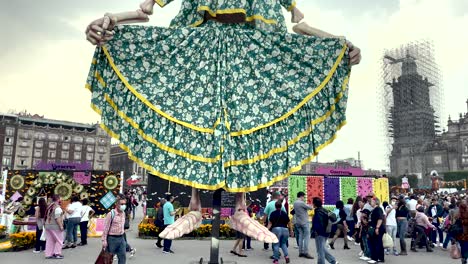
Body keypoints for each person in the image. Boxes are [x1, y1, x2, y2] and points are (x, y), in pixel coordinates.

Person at [84, 0, 360, 244]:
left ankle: (239, 208)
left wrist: (338, 44)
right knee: (199, 117)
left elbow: (299, 23)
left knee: (244, 120)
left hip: (249, 48)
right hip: (205, 45)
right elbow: (145, 10)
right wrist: (110, 20)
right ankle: (195, 206)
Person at [311, 197, 339, 264]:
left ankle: (324, 262)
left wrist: (314, 231)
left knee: (320, 250)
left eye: (313, 202)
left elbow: (317, 224)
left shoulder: (318, 212)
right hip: (326, 232)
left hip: (320, 233)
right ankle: (333, 261)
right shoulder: (325, 210)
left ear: (315, 204)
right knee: (322, 248)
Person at [102, 194, 128, 264]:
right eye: (121, 204)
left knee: (122, 257)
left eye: (124, 204)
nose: (123, 206)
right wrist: (104, 241)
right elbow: (105, 228)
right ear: (117, 204)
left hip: (121, 238)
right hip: (112, 239)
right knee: (108, 259)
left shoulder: (124, 213)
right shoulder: (111, 214)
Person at [293, 191, 314, 259]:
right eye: (303, 197)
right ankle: (306, 252)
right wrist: (311, 204)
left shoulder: (295, 202)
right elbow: (310, 208)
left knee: (301, 237)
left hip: (298, 222)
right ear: (301, 196)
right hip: (304, 222)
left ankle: (300, 252)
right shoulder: (301, 203)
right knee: (307, 237)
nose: (304, 198)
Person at [44, 195, 64, 259]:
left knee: (50, 240)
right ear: (58, 199)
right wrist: (61, 226)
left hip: (48, 225)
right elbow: (58, 218)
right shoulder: (57, 208)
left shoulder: (49, 206)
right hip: (55, 226)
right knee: (59, 240)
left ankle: (48, 254)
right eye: (60, 198)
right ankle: (57, 253)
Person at [368, 198, 385, 264]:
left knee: (376, 243)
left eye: (372, 201)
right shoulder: (374, 209)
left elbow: (380, 218)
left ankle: (376, 258)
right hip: (373, 228)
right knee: (376, 243)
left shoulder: (378, 209)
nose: (370, 202)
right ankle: (378, 258)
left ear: (375, 202)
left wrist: (377, 228)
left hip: (377, 228)